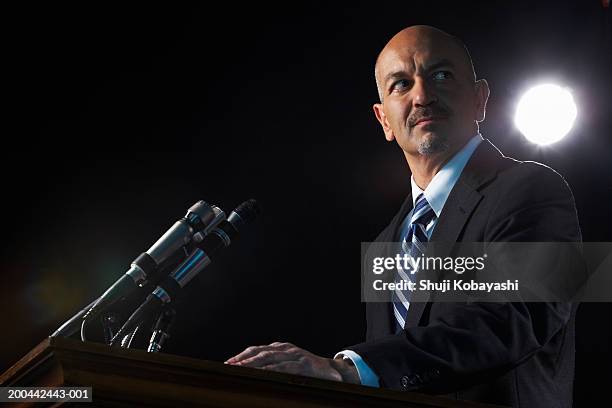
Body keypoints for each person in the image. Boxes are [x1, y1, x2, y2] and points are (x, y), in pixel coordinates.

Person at [225, 25, 581, 408]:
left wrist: (348, 369)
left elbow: (516, 317)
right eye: (400, 84)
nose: (422, 96)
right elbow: (392, 376)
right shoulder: (385, 243)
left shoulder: (535, 188)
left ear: (480, 100)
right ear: (383, 120)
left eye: (441, 75)